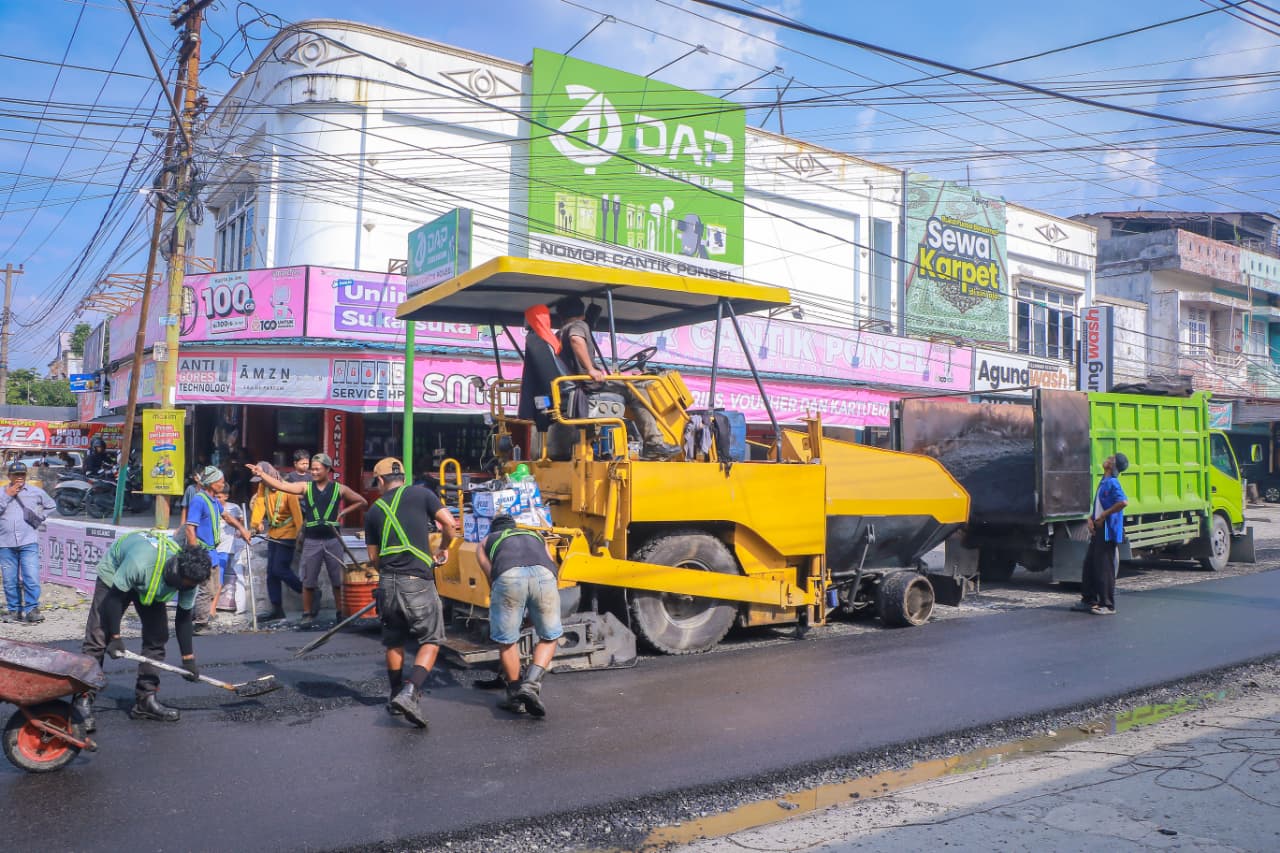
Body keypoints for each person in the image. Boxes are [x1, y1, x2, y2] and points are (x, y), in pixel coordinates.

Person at [76, 532, 213, 728]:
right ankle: (82, 700)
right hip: (116, 574)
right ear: (177, 572)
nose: (187, 588)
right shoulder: (140, 563)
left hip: (150, 583)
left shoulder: (190, 580)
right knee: (98, 638)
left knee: (157, 637)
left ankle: (145, 700)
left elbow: (183, 618)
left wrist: (188, 659)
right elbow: (114, 600)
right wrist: (115, 636)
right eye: (185, 584)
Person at [362, 457, 455, 728]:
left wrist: (388, 573)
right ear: (403, 477)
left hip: (387, 583)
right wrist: (443, 548)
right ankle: (410, 692)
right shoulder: (422, 494)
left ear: (381, 481)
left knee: (394, 641)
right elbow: (449, 524)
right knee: (431, 639)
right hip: (417, 581)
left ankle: (394, 695)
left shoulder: (374, 511)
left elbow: (373, 558)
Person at [555, 295, 682, 460]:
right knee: (637, 389)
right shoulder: (578, 325)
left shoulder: (559, 333)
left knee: (629, 385)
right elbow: (576, 339)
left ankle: (642, 440)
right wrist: (591, 369)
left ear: (560, 315)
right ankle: (653, 443)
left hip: (576, 385)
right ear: (582, 313)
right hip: (588, 385)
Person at [246, 454, 367, 626]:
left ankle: (341, 614)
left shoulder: (339, 489)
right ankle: (307, 614)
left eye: (318, 469)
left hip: (333, 540)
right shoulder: (305, 487)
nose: (314, 472)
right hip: (312, 540)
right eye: (312, 469)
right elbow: (282, 485)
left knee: (336, 580)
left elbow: (362, 502)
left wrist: (342, 513)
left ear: (328, 469)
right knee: (308, 580)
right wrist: (262, 474)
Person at [475, 513, 562, 718]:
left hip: (508, 577)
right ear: (514, 526)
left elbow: (491, 576)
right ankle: (530, 685)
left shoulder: (485, 542)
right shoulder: (535, 535)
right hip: (545, 576)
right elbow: (551, 564)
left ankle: (515, 695)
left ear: (493, 530)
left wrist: (505, 609)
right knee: (550, 636)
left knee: (507, 641)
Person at [185, 466, 252, 626]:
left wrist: (242, 529)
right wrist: (195, 554)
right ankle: (201, 623)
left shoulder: (214, 500)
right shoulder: (199, 500)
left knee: (214, 587)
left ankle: (196, 615)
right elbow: (190, 528)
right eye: (220, 481)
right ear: (211, 483)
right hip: (202, 551)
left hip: (213, 551)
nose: (223, 484)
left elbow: (227, 516)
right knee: (206, 588)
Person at [1074, 453, 1129, 616]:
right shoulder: (1104, 481)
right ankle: (1089, 600)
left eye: (1111, 459)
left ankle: (1108, 605)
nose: (1108, 459)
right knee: (1090, 565)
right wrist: (1090, 519)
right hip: (1098, 528)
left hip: (1107, 530)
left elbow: (1123, 502)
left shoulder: (1112, 482)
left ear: (1113, 466)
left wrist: (1104, 515)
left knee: (1105, 568)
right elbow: (1098, 505)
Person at [0, 461, 56, 623]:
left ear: (26, 476)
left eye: (22, 474)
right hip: (5, 543)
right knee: (10, 580)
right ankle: (14, 610)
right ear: (9, 476)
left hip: (28, 541)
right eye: (16, 474)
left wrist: (40, 516)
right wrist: (7, 495)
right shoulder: (2, 492)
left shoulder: (35, 492)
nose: (19, 477)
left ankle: (32, 610)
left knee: (31, 577)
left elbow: (51, 505)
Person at [250, 461, 304, 622]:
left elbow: (297, 515)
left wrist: (300, 536)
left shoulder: (288, 489)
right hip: (273, 533)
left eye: (263, 478)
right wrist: (255, 525)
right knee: (271, 573)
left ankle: (309, 592)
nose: (262, 482)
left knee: (280, 569)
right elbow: (259, 505)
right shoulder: (263, 487)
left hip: (289, 533)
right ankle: (277, 609)